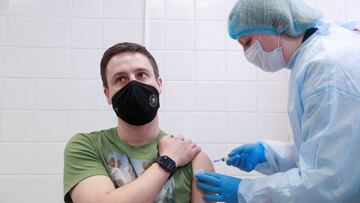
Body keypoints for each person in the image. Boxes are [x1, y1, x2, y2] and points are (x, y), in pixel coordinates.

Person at [195, 0, 360, 202]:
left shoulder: (327, 66)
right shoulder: (314, 56)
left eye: (247, 42)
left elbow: (327, 179)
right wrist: (267, 154)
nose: (247, 53)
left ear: (277, 24)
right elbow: (319, 148)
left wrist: (244, 191)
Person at [63, 42, 214, 203]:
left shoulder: (194, 159)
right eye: (121, 79)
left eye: (141, 74)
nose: (133, 84)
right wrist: (168, 160)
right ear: (108, 94)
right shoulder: (86, 146)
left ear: (159, 84)